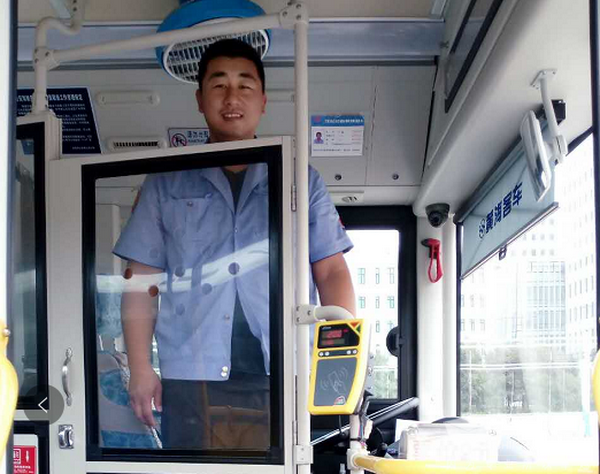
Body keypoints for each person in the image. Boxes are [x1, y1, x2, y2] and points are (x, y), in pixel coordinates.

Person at [113, 39, 355, 449]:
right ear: (200, 99)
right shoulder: (165, 182)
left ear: (262, 100)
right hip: (191, 376)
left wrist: (343, 361)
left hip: (283, 369)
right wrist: (140, 367)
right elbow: (140, 282)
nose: (231, 98)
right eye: (218, 85)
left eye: (245, 85)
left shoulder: (300, 180)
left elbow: (331, 271)